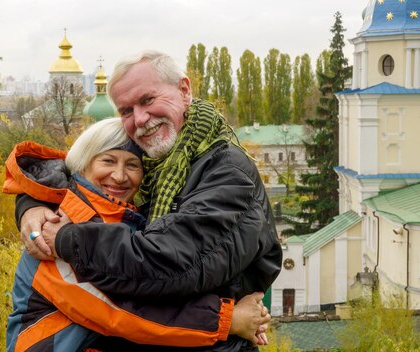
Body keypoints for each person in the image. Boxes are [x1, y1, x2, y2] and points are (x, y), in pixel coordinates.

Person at [18, 50, 283, 351]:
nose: (140, 119)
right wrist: (32, 203)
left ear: (184, 91)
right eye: (126, 111)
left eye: (147, 100)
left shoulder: (226, 172)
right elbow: (65, 170)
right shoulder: (157, 165)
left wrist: (65, 238)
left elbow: (165, 264)